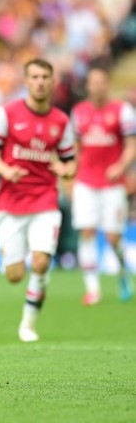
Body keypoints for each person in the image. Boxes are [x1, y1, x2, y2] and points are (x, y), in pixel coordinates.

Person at [0, 58, 77, 343]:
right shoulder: (9, 113)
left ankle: (28, 324)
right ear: (26, 81)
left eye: (45, 77)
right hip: (11, 202)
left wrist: (65, 170)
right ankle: (20, 266)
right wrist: (6, 170)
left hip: (45, 199)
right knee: (14, 274)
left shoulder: (61, 121)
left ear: (51, 81)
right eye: (34, 77)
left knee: (40, 262)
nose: (40, 82)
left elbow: (71, 163)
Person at [70, 65, 136, 305]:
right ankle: (93, 289)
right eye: (93, 82)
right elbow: (75, 147)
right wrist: (71, 173)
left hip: (112, 183)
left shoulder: (123, 111)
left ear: (107, 84)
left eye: (101, 82)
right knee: (86, 231)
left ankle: (122, 274)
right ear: (87, 86)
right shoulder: (79, 112)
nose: (97, 86)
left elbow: (131, 145)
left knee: (113, 237)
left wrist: (121, 166)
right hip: (86, 181)